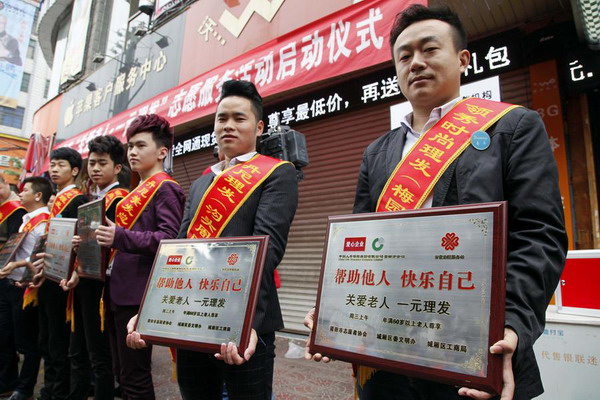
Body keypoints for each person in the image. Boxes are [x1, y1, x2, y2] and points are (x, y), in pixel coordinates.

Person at [304, 4, 567, 400]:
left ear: (463, 59)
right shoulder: (377, 152)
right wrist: (333, 313)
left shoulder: (512, 127)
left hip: (473, 351)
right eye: (404, 56)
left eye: (429, 50)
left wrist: (511, 323)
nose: (416, 63)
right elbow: (357, 248)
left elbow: (539, 235)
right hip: (388, 355)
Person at [126, 80, 299, 400]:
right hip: (194, 317)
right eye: (222, 119)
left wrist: (246, 323)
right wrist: (148, 311)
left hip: (247, 323)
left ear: (259, 126)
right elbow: (174, 252)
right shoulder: (202, 181)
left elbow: (268, 250)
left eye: (239, 118)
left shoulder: (277, 173)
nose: (228, 126)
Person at [95, 114, 184, 400]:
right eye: (130, 145)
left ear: (162, 151)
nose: (132, 151)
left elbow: (169, 240)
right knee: (122, 371)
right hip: (120, 289)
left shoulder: (166, 188)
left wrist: (119, 237)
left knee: (135, 375)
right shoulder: (138, 189)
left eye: (140, 145)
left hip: (139, 293)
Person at [62, 135, 129, 400]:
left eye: (102, 163)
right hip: (85, 279)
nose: (95, 168)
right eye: (92, 163)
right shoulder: (89, 200)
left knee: (100, 355)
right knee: (81, 348)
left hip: (103, 286)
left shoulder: (119, 199)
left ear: (117, 168)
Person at [33, 148, 88, 400]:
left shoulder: (78, 200)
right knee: (47, 338)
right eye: (52, 165)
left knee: (59, 340)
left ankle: (57, 392)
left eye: (61, 165)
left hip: (64, 279)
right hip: (48, 275)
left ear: (75, 170)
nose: (54, 169)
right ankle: (50, 389)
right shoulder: (55, 201)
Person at [0, 177, 52, 400]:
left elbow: (40, 256)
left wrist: (22, 269)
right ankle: (8, 383)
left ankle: (25, 388)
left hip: (27, 288)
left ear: (38, 195)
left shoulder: (44, 221)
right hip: (10, 284)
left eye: (25, 190)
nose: (20, 194)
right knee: (6, 337)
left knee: (27, 343)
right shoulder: (26, 220)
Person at [0, 176, 32, 398]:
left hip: (16, 278)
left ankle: (21, 385)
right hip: (4, 278)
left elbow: (14, 245)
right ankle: (7, 381)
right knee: (3, 334)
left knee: (19, 336)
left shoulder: (16, 211)